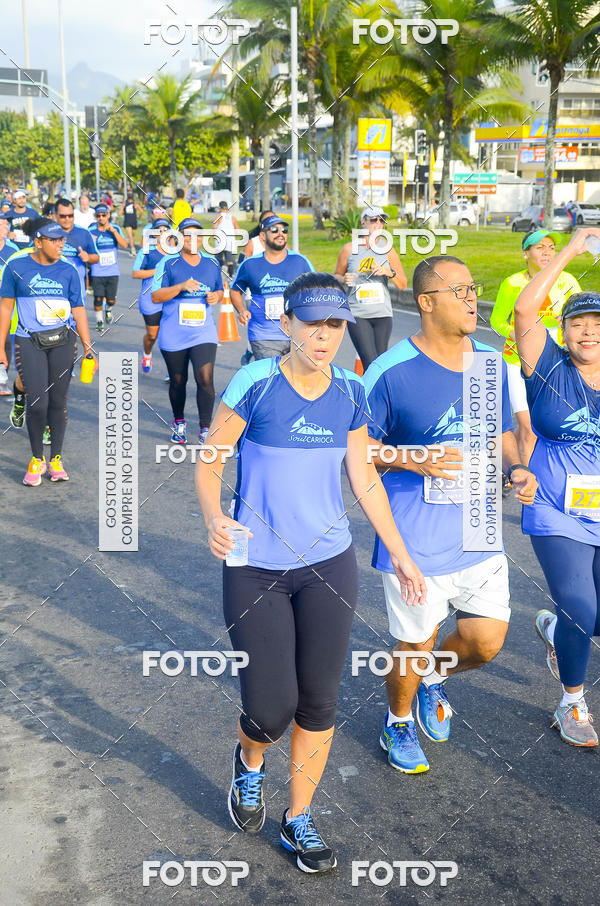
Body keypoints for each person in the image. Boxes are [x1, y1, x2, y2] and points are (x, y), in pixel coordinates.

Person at [195, 271, 426, 874]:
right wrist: (215, 515)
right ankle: (250, 765)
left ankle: (298, 818)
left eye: (335, 325)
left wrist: (400, 552)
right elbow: (211, 458)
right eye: (313, 324)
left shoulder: (351, 391)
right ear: (286, 325)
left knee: (319, 702)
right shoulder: (254, 382)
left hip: (328, 564)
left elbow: (364, 477)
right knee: (271, 708)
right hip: (255, 568)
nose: (324, 337)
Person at [364, 255, 538, 774]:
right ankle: (397, 719)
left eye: (472, 288)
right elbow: (354, 448)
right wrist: (412, 457)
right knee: (414, 642)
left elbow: (502, 433)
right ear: (425, 302)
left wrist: (516, 469)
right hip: (414, 537)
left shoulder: (488, 361)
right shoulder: (389, 372)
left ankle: (430, 679)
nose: (470, 299)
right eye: (459, 290)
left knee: (486, 644)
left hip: (480, 528)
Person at [514, 227, 600, 747]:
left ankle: (555, 633)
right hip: (554, 504)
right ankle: (572, 702)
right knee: (579, 605)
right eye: (578, 324)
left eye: (597, 324)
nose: (588, 332)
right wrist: (569, 250)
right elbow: (526, 312)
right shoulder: (546, 367)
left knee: (593, 616)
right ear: (563, 330)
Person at [0, 218, 96, 485]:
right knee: (38, 402)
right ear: (38, 241)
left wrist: (89, 346)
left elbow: (78, 310)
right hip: (29, 341)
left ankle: (55, 458)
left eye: (62, 239)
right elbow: (6, 308)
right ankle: (36, 458)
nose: (60, 244)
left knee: (57, 402)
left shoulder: (68, 271)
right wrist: (0, 349)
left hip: (63, 341)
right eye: (54, 240)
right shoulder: (16, 267)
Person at [491, 230, 581, 464]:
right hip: (517, 362)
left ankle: (507, 463)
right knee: (529, 429)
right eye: (539, 247)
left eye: (551, 247)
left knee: (539, 426)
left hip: (556, 365)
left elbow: (581, 314)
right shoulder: (513, 283)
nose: (547, 252)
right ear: (525, 253)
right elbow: (496, 321)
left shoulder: (567, 281)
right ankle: (527, 485)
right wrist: (517, 333)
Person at [151, 218, 223, 444]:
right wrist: (180, 287)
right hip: (174, 333)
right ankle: (179, 421)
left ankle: (205, 428)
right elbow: (155, 296)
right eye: (187, 235)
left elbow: (219, 289)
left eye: (198, 236)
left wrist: (216, 297)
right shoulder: (168, 263)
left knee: (205, 378)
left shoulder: (212, 262)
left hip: (203, 332)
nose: (193, 240)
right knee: (178, 381)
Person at [230, 215, 313, 360]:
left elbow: (316, 288)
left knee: (295, 379)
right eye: (274, 230)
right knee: (272, 377)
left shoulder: (300, 261)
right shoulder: (250, 265)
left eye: (284, 230)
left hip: (296, 334)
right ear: (262, 236)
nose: (280, 233)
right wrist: (242, 310)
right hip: (263, 335)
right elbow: (235, 290)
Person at [334, 206, 407, 371]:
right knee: (369, 361)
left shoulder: (387, 249)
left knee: (381, 363)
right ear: (363, 222)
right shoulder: (348, 249)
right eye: (374, 219)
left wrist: (388, 272)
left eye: (382, 220)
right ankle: (368, 396)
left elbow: (402, 284)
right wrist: (344, 279)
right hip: (358, 313)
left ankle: (375, 396)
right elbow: (335, 277)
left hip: (383, 314)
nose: (378, 224)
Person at [132, 218, 174, 374]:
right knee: (152, 335)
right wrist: (157, 271)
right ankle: (147, 354)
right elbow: (136, 273)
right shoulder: (146, 251)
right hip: (150, 299)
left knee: (169, 335)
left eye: (165, 230)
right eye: (158, 230)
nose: (162, 233)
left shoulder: (176, 252)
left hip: (170, 299)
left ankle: (172, 370)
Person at [89, 203, 128, 332]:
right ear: (95, 217)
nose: (101, 218)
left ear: (108, 215)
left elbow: (124, 244)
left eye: (104, 215)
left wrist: (115, 232)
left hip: (112, 271)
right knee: (98, 297)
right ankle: (99, 320)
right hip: (97, 271)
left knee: (111, 300)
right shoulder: (91, 230)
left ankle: (109, 309)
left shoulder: (115, 228)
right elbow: (87, 247)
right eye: (98, 216)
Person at [54, 198, 99, 299]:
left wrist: (88, 257)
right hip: (53, 290)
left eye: (70, 215)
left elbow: (96, 257)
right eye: (63, 216)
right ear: (55, 215)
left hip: (76, 290)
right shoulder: (48, 233)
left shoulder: (84, 233)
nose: (67, 219)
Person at [0, 216, 19, 395]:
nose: (3, 228)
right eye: (0, 225)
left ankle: (2, 378)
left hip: (6, 304)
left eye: (5, 225)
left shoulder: (13, 250)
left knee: (5, 341)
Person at [213, 200, 240, 279]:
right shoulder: (232, 217)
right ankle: (231, 276)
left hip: (220, 242)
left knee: (218, 260)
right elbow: (238, 230)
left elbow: (214, 228)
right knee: (230, 261)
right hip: (230, 242)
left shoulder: (218, 216)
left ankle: (217, 276)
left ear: (220, 208)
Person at [119, 191, 143, 256]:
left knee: (130, 236)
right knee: (132, 236)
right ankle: (133, 249)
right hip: (134, 221)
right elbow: (141, 211)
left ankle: (133, 249)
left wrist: (124, 213)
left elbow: (119, 213)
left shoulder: (124, 204)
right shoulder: (135, 204)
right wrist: (139, 217)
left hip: (127, 221)